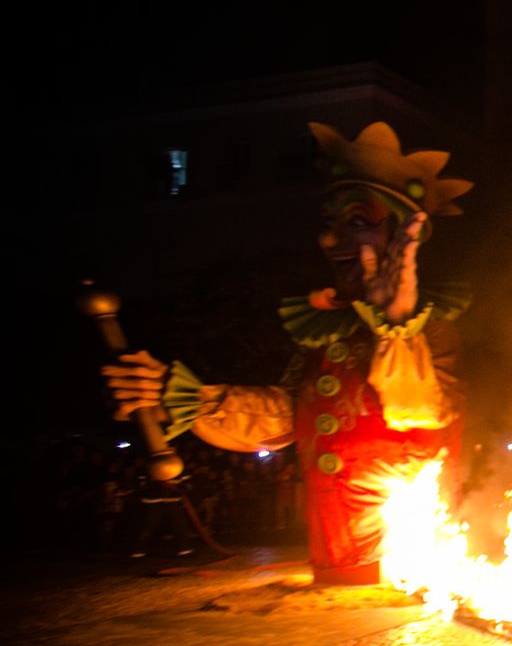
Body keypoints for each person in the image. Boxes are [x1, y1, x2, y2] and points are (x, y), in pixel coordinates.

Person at [103, 122, 472, 584]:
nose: (329, 240)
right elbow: (284, 417)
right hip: (334, 559)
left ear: (402, 235)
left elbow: (420, 412)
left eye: (356, 222)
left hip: (404, 568)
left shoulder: (429, 328)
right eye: (328, 225)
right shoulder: (326, 332)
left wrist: (396, 325)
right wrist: (183, 395)